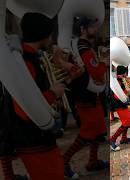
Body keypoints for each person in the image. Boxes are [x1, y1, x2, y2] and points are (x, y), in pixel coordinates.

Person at [0, 13, 67, 180]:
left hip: (36, 134)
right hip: (32, 135)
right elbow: (24, 106)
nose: (52, 37)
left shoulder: (28, 56)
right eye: (50, 33)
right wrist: (53, 93)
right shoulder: (26, 60)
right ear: (44, 34)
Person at [62, 17, 108, 179]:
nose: (96, 30)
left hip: (89, 93)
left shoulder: (82, 46)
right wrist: (104, 62)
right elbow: (96, 72)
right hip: (85, 94)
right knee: (88, 132)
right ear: (82, 29)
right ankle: (64, 161)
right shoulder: (83, 47)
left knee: (99, 129)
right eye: (93, 27)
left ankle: (93, 160)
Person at [110, 66, 130, 151]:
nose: (126, 74)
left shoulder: (121, 79)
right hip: (119, 104)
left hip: (122, 104)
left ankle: (124, 139)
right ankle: (112, 139)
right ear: (123, 73)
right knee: (126, 123)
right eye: (125, 72)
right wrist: (127, 90)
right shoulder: (117, 81)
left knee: (128, 121)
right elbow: (117, 95)